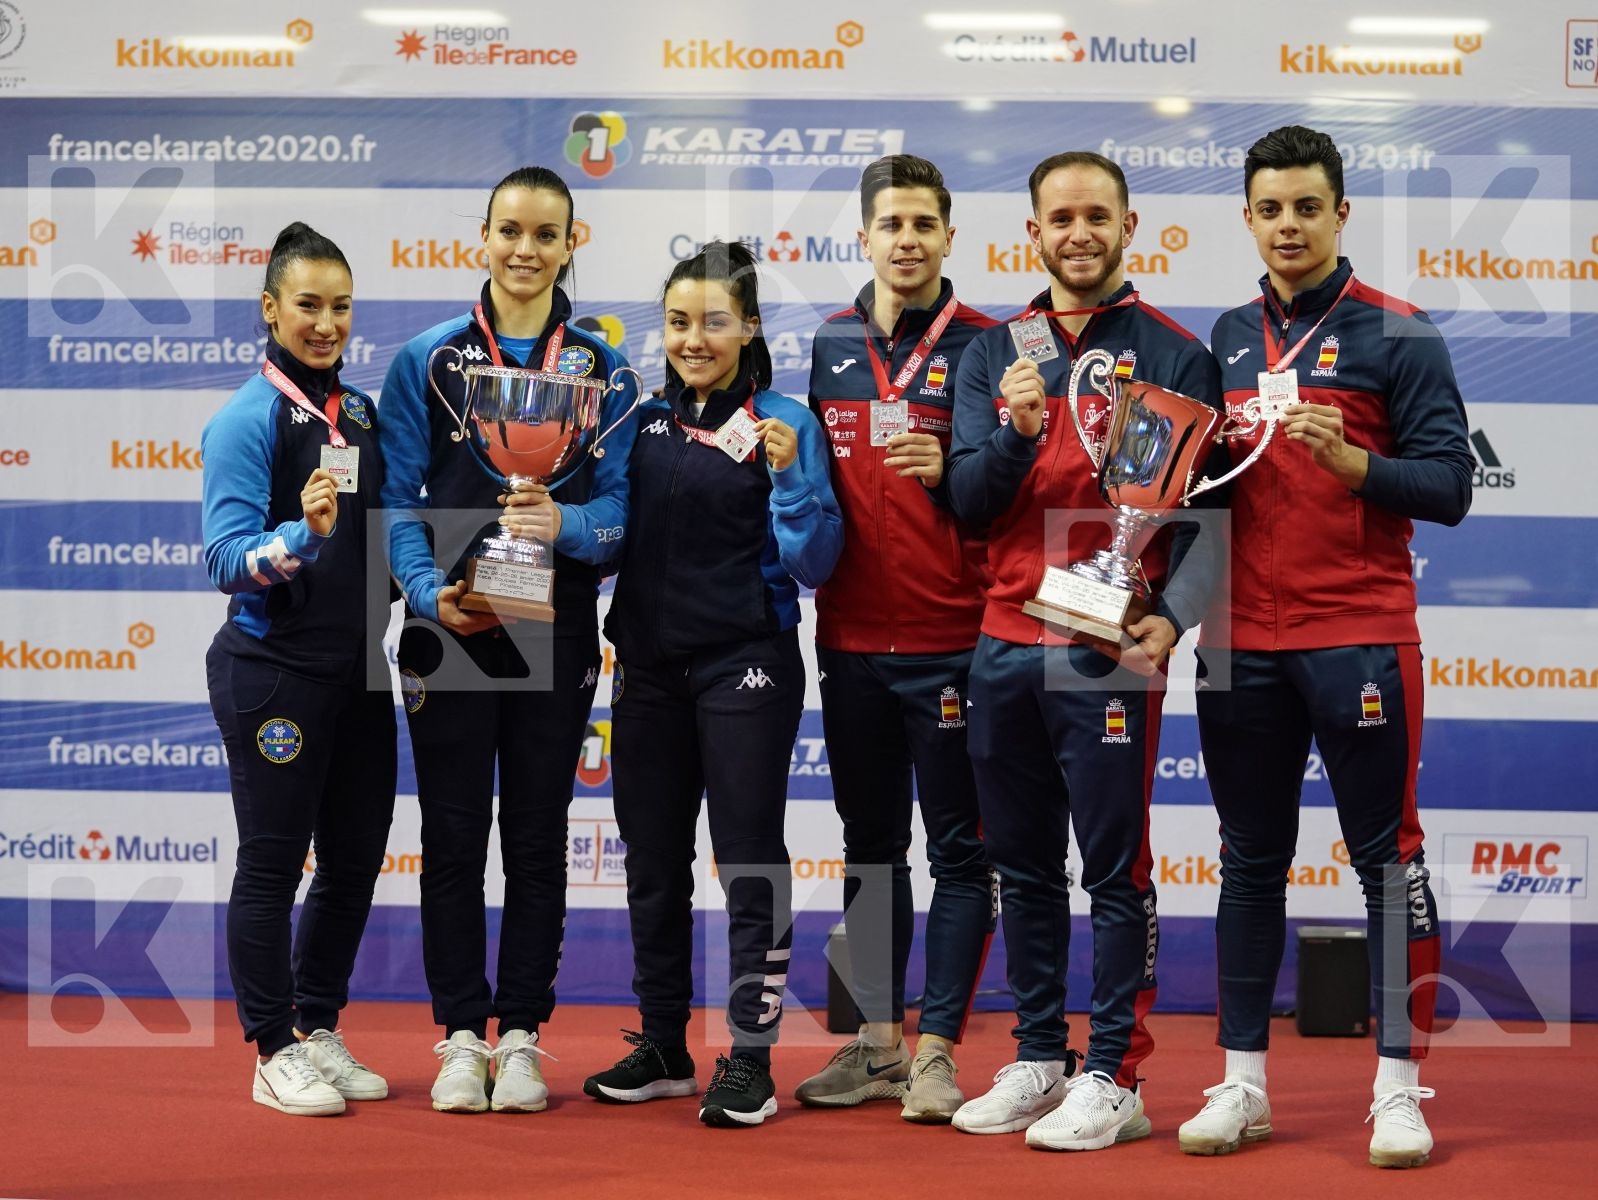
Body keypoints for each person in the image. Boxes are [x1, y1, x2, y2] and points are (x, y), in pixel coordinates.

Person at [1177, 125, 1472, 1169]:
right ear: (1247, 219)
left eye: (1307, 206)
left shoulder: (1400, 333)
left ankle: (1398, 1090)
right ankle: (1240, 1084)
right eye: (1269, 209)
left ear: (1340, 213)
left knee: (1386, 866)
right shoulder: (1217, 336)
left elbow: (1448, 487)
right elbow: (1189, 498)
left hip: (1357, 633)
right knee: (1247, 863)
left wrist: (1353, 462)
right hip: (1235, 643)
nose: (1287, 225)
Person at [945, 152, 1222, 1150]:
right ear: (1032, 232)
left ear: (1127, 224)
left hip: (1103, 647)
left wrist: (1174, 614)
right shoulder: (993, 353)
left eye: (1094, 215)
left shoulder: (1174, 352)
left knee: (1113, 871)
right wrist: (1014, 433)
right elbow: (966, 504)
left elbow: (1210, 516)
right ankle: (1035, 1055)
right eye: (1058, 216)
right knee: (1018, 866)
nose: (1077, 232)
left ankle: (1114, 1071)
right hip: (1003, 641)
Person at [378, 166, 639, 1114]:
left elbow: (617, 518)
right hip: (450, 615)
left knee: (534, 838)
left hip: (555, 618)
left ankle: (523, 1035)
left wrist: (556, 526)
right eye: (509, 231)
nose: (525, 249)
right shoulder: (427, 359)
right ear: (480, 238)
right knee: (450, 835)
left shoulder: (603, 368)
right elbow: (401, 499)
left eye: (545, 234)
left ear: (575, 242)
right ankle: (457, 1036)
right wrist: (421, 593)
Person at [582, 241, 843, 1128]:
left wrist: (788, 480)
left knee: (748, 860)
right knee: (653, 861)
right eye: (680, 323)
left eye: (715, 322)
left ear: (751, 326)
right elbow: (610, 533)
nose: (695, 339)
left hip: (747, 662)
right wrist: (546, 521)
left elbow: (815, 562)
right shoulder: (641, 423)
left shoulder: (786, 422)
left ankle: (750, 1056)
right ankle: (662, 1044)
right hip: (647, 669)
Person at [795, 154, 997, 1123]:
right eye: (890, 224)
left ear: (948, 236)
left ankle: (937, 1055)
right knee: (868, 846)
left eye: (924, 223)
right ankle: (875, 1045)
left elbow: (1013, 493)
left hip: (955, 642)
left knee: (959, 851)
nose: (907, 240)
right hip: (847, 644)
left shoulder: (993, 345)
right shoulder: (829, 344)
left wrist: (954, 470)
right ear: (864, 238)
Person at [202, 222, 395, 1116]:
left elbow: (385, 543)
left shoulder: (356, 413)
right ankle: (271, 1047)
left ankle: (317, 1027)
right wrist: (296, 538)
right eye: (308, 305)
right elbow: (222, 557)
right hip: (273, 668)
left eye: (341, 306)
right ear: (270, 309)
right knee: (273, 865)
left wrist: (460, 588)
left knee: (354, 863)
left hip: (359, 670)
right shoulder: (247, 417)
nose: (326, 323)